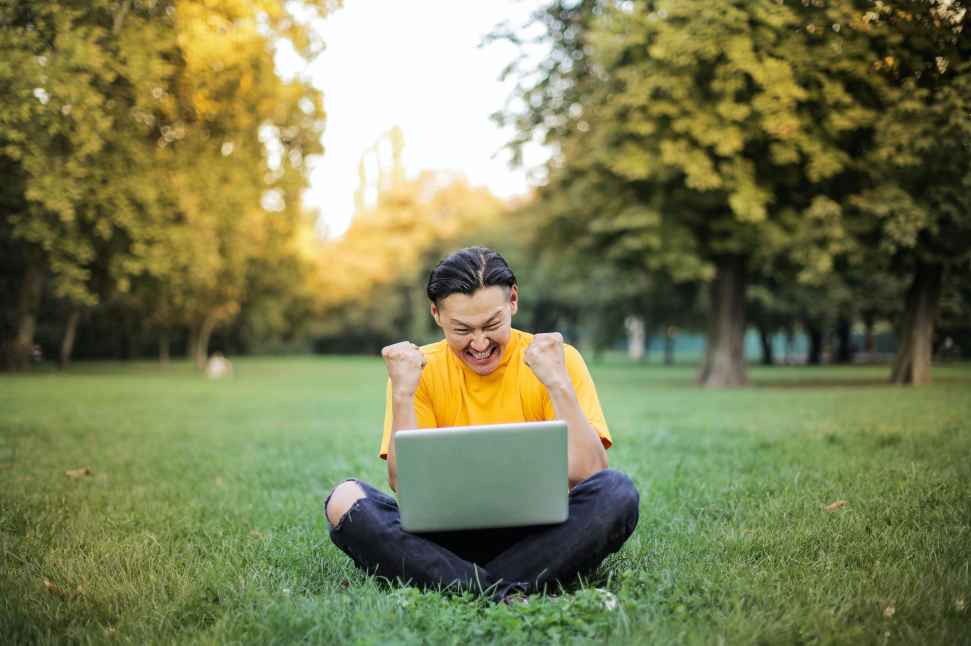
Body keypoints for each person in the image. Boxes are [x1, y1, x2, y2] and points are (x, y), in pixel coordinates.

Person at [324, 246, 639, 602]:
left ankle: (458, 582)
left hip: (539, 535)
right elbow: (403, 484)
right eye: (462, 329)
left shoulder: (556, 360)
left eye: (492, 325)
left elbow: (591, 474)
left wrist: (558, 383)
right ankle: (505, 589)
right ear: (436, 314)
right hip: (445, 536)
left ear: (513, 301)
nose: (479, 343)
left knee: (617, 491)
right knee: (343, 500)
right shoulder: (416, 369)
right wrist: (402, 394)